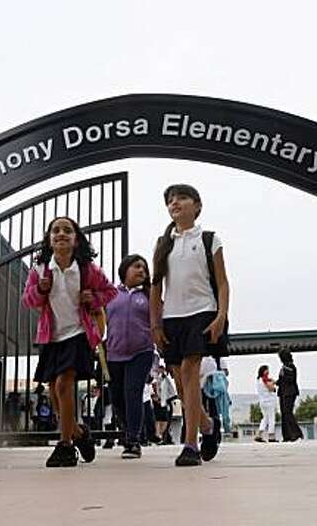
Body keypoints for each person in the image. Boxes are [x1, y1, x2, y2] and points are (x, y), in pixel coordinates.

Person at [22, 216, 117, 467]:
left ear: (76, 240)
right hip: (52, 337)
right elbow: (28, 301)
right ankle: (79, 432)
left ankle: (65, 446)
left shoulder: (87, 270)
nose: (61, 233)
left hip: (78, 334)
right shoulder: (41, 270)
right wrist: (40, 290)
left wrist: (93, 298)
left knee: (65, 384)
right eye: (55, 230)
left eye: (67, 230)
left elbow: (110, 292)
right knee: (54, 391)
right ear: (49, 239)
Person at [150, 184, 231, 466]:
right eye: (171, 200)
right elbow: (156, 287)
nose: (175, 203)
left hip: (202, 312)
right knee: (182, 386)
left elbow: (222, 283)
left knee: (189, 370)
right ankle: (207, 425)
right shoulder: (163, 245)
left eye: (182, 198)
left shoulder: (210, 239)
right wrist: (155, 325)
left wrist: (221, 315)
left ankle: (190, 445)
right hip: (172, 318)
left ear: (197, 206)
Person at [105, 254, 155, 459]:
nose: (141, 270)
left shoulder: (150, 296)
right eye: (136, 266)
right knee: (117, 397)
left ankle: (133, 441)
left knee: (133, 391)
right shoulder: (110, 294)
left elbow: (158, 324)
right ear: (124, 269)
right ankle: (129, 431)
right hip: (114, 353)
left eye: (144, 268)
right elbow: (98, 316)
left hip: (141, 352)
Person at [277, 348, 303, 442]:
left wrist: (284, 375)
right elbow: (281, 380)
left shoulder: (291, 366)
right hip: (282, 393)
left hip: (290, 392)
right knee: (284, 414)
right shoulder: (283, 367)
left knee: (288, 413)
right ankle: (287, 435)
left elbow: (290, 379)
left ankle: (296, 434)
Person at [255, 365, 278, 442]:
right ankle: (271, 436)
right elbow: (270, 388)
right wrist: (273, 384)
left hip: (262, 402)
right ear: (263, 371)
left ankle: (259, 435)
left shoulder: (259, 380)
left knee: (265, 419)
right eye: (267, 370)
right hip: (269, 402)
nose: (268, 372)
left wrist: (272, 381)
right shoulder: (264, 379)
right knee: (271, 418)